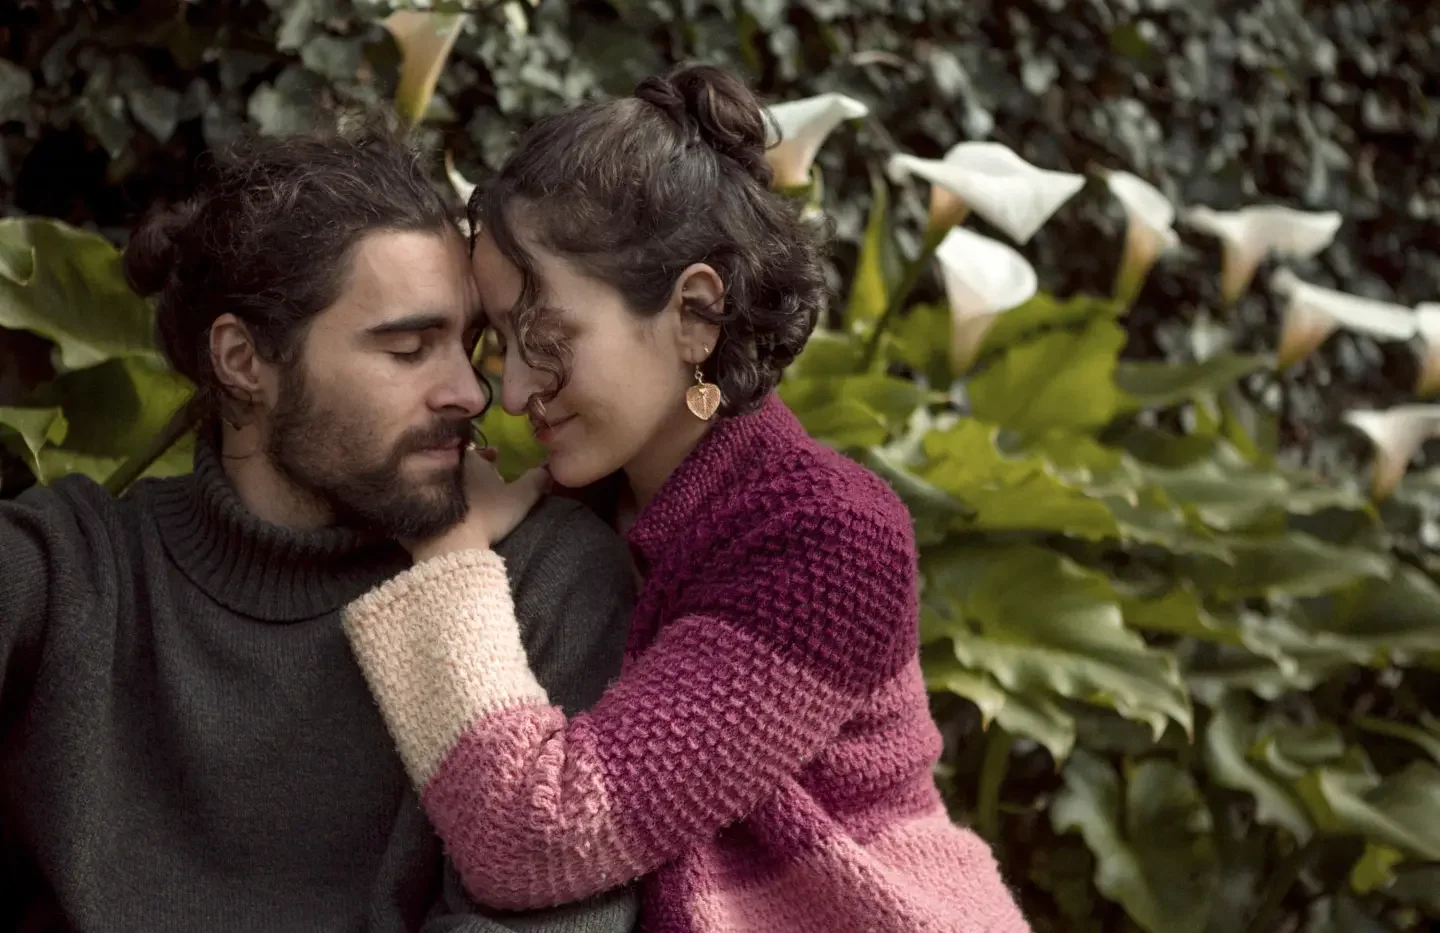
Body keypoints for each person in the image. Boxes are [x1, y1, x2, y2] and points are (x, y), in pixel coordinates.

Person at [340, 66, 1033, 932]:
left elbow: (539, 834)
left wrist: (449, 560)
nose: (512, 394)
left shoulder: (828, 540)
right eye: (503, 343)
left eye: (547, 339)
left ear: (697, 314)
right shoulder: (588, 502)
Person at [0, 126, 638, 933]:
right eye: (409, 348)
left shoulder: (548, 581)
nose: (472, 393)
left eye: (469, 343)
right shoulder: (70, 573)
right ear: (242, 360)